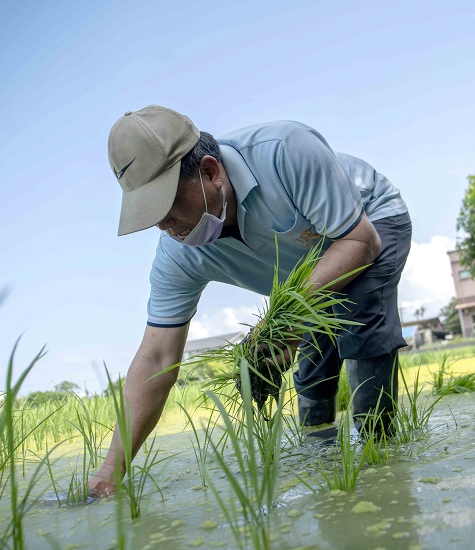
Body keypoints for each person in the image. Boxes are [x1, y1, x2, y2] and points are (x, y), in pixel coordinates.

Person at [88, 105, 411, 497]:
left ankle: (381, 459)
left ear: (211, 171)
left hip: (367, 220)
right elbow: (156, 357)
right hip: (306, 271)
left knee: (359, 320)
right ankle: (323, 459)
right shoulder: (178, 253)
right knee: (311, 364)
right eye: (152, 215)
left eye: (168, 205)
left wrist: (280, 328)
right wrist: (109, 470)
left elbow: (360, 242)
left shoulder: (285, 151)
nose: (164, 226)